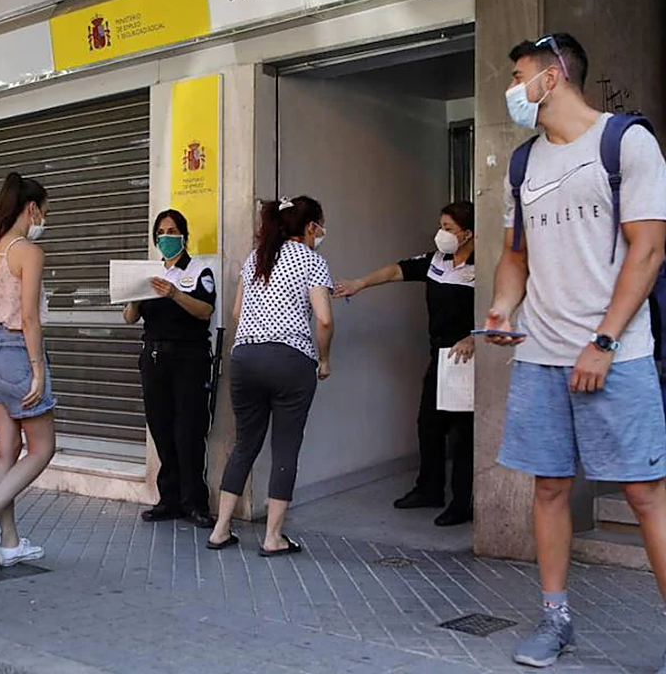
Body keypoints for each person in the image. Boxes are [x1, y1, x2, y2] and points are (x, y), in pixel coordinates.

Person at [484, 34, 666, 671]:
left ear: (553, 75)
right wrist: (503, 307)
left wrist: (604, 341)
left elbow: (648, 250)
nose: (512, 88)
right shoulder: (522, 163)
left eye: (518, 75)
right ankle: (555, 618)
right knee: (550, 489)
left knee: (645, 495)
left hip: (618, 354)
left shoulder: (626, 142)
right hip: (540, 355)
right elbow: (515, 256)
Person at [334, 201, 476, 527]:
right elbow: (396, 271)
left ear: (468, 233)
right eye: (441, 226)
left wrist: (474, 338)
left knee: (463, 434)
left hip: (466, 358)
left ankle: (462, 503)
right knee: (429, 425)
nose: (442, 234)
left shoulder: (482, 267)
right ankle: (429, 489)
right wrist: (359, 283)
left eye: (449, 228)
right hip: (438, 355)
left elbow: (497, 307)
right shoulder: (437, 260)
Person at [207, 197, 333, 555]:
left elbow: (236, 313)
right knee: (285, 448)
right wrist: (324, 360)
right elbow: (324, 320)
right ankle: (273, 538)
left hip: (246, 357)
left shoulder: (256, 258)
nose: (321, 232)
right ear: (310, 227)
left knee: (245, 443)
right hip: (291, 360)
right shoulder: (313, 261)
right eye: (320, 225)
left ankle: (220, 529)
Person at [0, 172, 57, 566]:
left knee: (6, 450)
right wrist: (37, 368)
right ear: (31, 208)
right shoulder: (28, 252)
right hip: (17, 353)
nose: (44, 220)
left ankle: (8, 540)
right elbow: (30, 317)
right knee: (42, 448)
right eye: (44, 211)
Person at [123, 209, 217, 528]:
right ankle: (169, 499)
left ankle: (195, 502)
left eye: (172, 231)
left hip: (189, 359)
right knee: (161, 428)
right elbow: (129, 317)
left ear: (184, 235)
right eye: (161, 232)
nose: (166, 237)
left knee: (189, 430)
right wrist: (136, 293)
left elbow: (205, 311)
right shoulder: (150, 273)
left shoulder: (198, 271)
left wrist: (175, 294)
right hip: (154, 359)